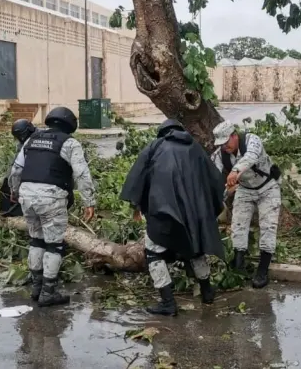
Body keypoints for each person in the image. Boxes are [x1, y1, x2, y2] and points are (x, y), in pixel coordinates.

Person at [120, 119, 226, 316]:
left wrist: (136, 206)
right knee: (195, 249)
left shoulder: (156, 146)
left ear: (163, 132)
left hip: (164, 212)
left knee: (153, 252)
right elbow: (215, 179)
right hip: (194, 213)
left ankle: (168, 302)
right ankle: (207, 291)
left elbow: (138, 177)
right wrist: (208, 210)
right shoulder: (195, 148)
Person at [9, 106, 95, 307]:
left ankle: (36, 288)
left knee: (36, 241)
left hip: (27, 196)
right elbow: (81, 174)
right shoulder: (70, 143)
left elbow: (16, 169)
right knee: (54, 245)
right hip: (51, 198)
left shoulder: (31, 140)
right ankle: (49, 292)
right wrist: (89, 202)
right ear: (70, 124)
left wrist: (14, 192)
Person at [210, 120, 281, 289]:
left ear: (234, 136)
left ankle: (262, 270)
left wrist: (236, 170)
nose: (224, 147)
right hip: (245, 189)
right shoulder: (219, 155)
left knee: (268, 226)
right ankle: (239, 264)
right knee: (238, 226)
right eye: (221, 144)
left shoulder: (252, 140)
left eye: (226, 142)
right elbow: (214, 176)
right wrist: (218, 196)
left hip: (268, 187)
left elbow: (251, 157)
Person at [0, 119, 38, 217]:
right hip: (25, 171)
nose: (20, 139)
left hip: (37, 176)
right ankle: (8, 216)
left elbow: (18, 169)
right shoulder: (22, 143)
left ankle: (21, 215)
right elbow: (16, 165)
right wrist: (10, 183)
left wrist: (15, 191)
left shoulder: (38, 138)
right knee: (6, 185)